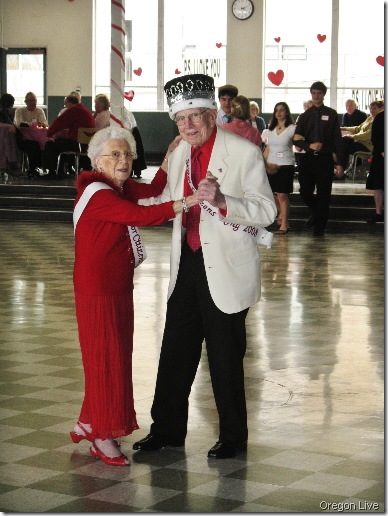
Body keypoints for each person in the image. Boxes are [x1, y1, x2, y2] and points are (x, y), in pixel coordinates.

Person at [132, 73, 276, 459]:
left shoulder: (242, 152)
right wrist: (119, 203)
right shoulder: (179, 152)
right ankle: (166, 430)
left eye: (195, 116)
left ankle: (232, 436)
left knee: (226, 357)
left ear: (213, 114)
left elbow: (267, 210)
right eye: (181, 119)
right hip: (186, 265)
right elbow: (165, 198)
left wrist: (226, 200)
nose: (188, 126)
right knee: (175, 350)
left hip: (226, 268)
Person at [71, 125, 198, 467]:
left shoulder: (117, 187)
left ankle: (89, 419)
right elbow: (140, 215)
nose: (123, 160)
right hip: (98, 290)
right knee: (105, 357)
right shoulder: (99, 193)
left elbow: (154, 189)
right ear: (96, 161)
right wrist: (187, 201)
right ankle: (101, 435)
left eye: (127, 153)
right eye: (115, 154)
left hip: (115, 285)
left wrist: (171, 152)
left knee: (112, 354)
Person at [292, 81, 345, 237]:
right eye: (314, 93)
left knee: (324, 193)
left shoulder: (331, 114)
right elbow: (296, 139)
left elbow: (337, 139)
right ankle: (317, 212)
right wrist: (309, 146)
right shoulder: (304, 116)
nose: (316, 96)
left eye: (319, 93)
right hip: (307, 159)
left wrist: (340, 163)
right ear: (311, 94)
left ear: (323, 95)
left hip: (325, 159)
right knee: (305, 191)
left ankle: (319, 228)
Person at [39, 95, 96, 176]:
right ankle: (60, 170)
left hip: (77, 144)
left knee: (50, 144)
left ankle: (50, 171)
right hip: (87, 145)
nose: (66, 107)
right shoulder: (85, 110)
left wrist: (49, 134)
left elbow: (59, 122)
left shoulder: (74, 110)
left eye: (65, 105)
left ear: (69, 104)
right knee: (60, 144)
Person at [261, 102, 296, 235]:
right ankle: (281, 212)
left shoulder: (292, 128)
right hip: (271, 164)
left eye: (282, 110)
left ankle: (284, 224)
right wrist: (264, 163)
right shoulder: (270, 130)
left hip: (286, 164)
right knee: (269, 194)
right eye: (277, 110)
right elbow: (268, 148)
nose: (279, 113)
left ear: (286, 112)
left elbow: (298, 143)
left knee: (282, 194)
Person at [341, 100, 384, 175]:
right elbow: (358, 128)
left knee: (344, 145)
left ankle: (341, 170)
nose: (371, 110)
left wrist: (352, 136)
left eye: (374, 108)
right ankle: (345, 168)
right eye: (370, 108)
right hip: (360, 142)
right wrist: (342, 129)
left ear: (380, 109)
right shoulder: (370, 118)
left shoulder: (379, 121)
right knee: (344, 142)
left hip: (369, 145)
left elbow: (367, 135)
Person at [14, 92, 47, 177]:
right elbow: (19, 123)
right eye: (30, 100)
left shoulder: (39, 111)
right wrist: (34, 124)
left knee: (45, 144)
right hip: (22, 139)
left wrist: (32, 124)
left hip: (37, 138)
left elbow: (44, 124)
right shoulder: (20, 111)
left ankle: (41, 168)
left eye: (34, 100)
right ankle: (33, 169)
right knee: (33, 145)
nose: (33, 102)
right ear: (25, 102)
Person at [366, 109, 384, 224]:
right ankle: (379, 213)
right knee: (378, 184)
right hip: (380, 155)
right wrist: (382, 151)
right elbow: (375, 137)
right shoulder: (380, 117)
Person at [0, 93, 18, 173]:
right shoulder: (2, 111)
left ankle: (11, 162)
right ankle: (11, 162)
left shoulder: (6, 112)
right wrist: (9, 126)